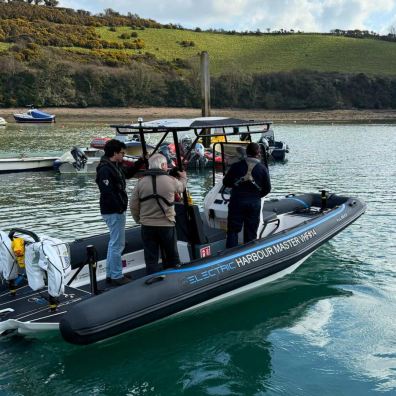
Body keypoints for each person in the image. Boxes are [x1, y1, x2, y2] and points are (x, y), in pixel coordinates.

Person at [96, 139, 144, 286]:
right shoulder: (105, 169)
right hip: (113, 211)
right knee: (118, 244)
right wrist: (119, 207)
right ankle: (116, 275)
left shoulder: (115, 166)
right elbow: (107, 191)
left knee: (114, 243)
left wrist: (140, 161)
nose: (124, 155)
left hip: (115, 210)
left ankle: (111, 274)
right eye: (122, 153)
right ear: (115, 153)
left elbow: (128, 174)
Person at [130, 153, 187, 274]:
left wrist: (139, 220)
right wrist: (183, 177)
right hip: (167, 225)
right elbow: (181, 188)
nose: (167, 167)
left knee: (151, 258)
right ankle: (174, 278)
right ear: (162, 165)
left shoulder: (140, 182)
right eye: (166, 164)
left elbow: (133, 205)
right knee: (172, 256)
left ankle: (152, 280)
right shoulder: (171, 181)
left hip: (147, 226)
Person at [223, 142, 271, 248]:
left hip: (237, 202)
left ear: (246, 152)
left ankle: (230, 255)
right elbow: (267, 188)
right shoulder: (263, 169)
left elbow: (226, 182)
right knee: (251, 231)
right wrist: (256, 196)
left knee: (233, 230)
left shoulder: (236, 166)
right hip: (254, 203)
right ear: (258, 153)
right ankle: (248, 256)